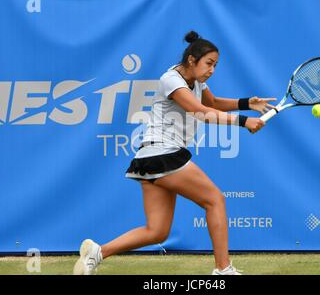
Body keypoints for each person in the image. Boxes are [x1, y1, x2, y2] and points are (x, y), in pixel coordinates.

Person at [73, 30, 276, 275]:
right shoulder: (171, 79)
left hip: (151, 157)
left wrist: (246, 103)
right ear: (192, 60)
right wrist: (243, 121)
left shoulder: (197, 81)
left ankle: (98, 252)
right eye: (209, 63)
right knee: (215, 200)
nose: (212, 69)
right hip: (163, 152)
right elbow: (199, 111)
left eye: (215, 65)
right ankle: (223, 270)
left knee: (157, 231)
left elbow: (211, 103)